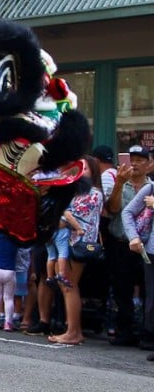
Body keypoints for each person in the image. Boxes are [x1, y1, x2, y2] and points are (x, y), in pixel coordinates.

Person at [48, 156, 103, 345]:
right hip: (63, 243)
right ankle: (75, 330)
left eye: (85, 168)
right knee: (67, 286)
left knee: (68, 286)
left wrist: (60, 214)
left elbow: (68, 218)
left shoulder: (93, 193)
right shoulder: (73, 191)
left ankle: (72, 332)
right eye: (78, 168)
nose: (81, 171)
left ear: (93, 172)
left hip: (77, 243)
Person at [104, 144, 150, 346]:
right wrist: (119, 184)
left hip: (147, 247)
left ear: (149, 163)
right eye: (132, 159)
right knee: (122, 289)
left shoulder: (152, 186)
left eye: (141, 159)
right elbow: (113, 210)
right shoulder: (121, 184)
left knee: (149, 290)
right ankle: (125, 330)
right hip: (121, 243)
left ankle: (147, 332)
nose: (136, 163)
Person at [121, 172, 154, 352]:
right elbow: (127, 212)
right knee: (151, 298)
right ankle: (150, 335)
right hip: (151, 251)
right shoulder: (151, 188)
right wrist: (133, 236)